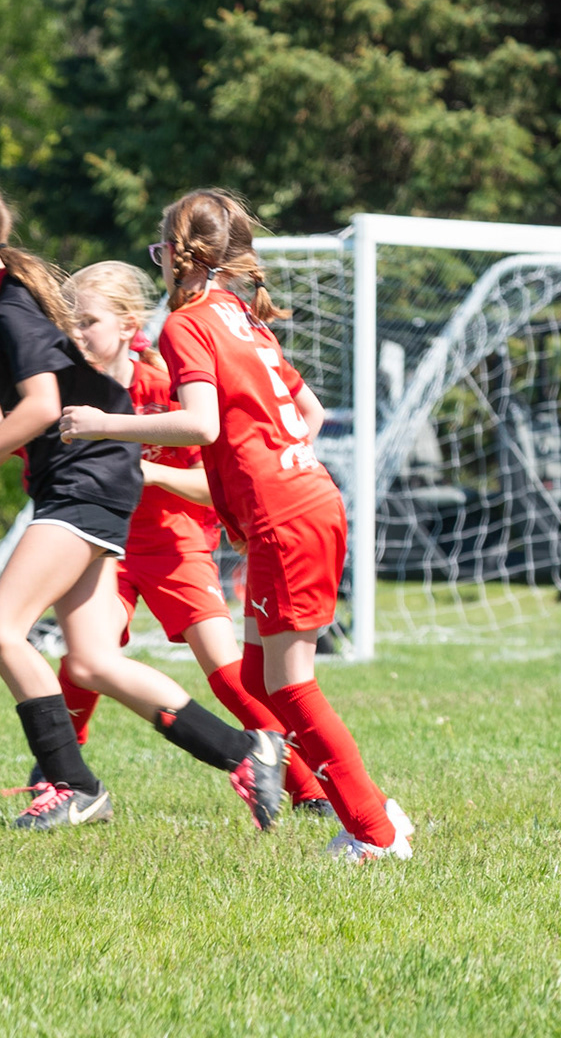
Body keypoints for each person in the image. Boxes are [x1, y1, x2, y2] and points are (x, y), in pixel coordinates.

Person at [0, 174, 286, 833]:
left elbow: (40, 408)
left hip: (86, 480)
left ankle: (73, 786)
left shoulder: (8, 311)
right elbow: (3, 421)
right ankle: (245, 751)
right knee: (90, 661)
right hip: (89, 480)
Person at [59, 189, 413, 862]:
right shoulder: (243, 317)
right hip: (304, 500)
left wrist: (107, 425)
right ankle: (371, 808)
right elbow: (308, 415)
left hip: (286, 515)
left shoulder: (187, 323)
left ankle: (375, 832)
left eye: (161, 251)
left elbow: (202, 425)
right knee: (255, 678)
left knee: (291, 687)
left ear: (178, 255)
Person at [24, 260, 335, 815]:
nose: (76, 335)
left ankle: (309, 789)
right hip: (107, 546)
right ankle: (59, 777)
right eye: (69, 324)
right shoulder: (67, 394)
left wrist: (150, 472)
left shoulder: (166, 385)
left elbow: (216, 485)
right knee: (84, 660)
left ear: (129, 324)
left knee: (229, 676)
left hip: (177, 544)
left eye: (88, 322)